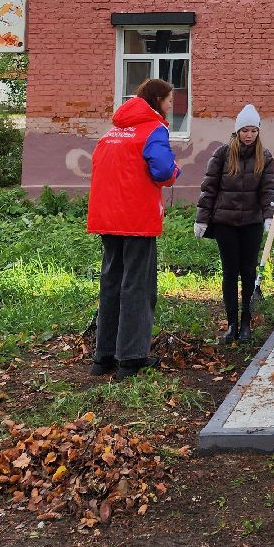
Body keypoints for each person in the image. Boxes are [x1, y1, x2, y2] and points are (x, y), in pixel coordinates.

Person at [87, 77, 182, 381]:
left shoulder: (113, 132)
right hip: (137, 219)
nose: (171, 107)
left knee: (111, 283)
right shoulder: (154, 130)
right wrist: (175, 171)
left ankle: (103, 357)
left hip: (107, 218)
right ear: (157, 101)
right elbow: (163, 170)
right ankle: (131, 358)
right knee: (137, 287)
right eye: (169, 101)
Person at [196, 104, 274, 345]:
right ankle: (232, 323)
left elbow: (268, 190)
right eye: (245, 130)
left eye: (253, 130)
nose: (249, 135)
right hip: (226, 223)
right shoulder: (222, 154)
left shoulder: (265, 157)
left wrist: (269, 216)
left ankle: (246, 323)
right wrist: (202, 218)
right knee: (230, 273)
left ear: (258, 131)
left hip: (251, 223)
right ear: (237, 131)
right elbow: (209, 188)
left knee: (249, 272)